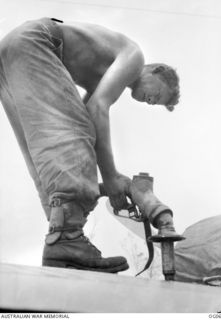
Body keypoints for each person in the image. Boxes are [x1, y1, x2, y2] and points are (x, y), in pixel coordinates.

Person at [0, 17, 180, 273]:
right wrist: (111, 176)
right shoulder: (134, 57)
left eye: (155, 104)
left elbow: (88, 119)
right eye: (159, 95)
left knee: (43, 150)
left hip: (9, 57)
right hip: (38, 41)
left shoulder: (104, 76)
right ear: (157, 70)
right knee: (73, 132)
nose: (151, 102)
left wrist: (109, 182)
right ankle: (67, 238)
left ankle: (60, 235)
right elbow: (96, 111)